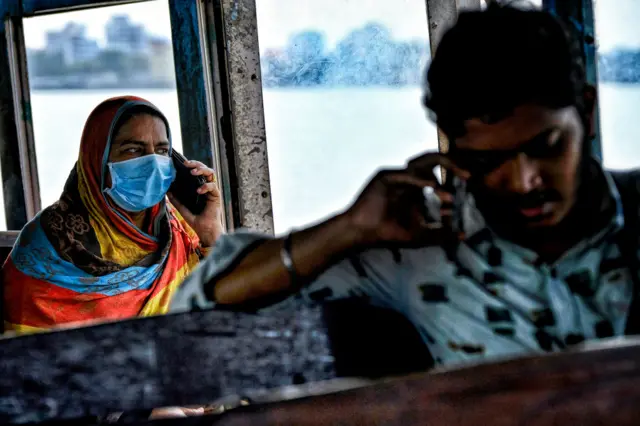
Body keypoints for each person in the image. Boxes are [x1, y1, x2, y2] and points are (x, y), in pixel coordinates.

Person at [170, 4, 637, 367]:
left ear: (588, 113)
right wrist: (349, 229)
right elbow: (197, 311)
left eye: (548, 147)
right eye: (485, 160)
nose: (523, 182)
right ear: (452, 150)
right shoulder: (420, 250)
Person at [3, 96, 224, 334]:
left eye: (161, 150)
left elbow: (228, 304)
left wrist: (211, 232)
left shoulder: (180, 228)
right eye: (132, 149)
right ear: (97, 158)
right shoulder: (45, 246)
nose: (151, 162)